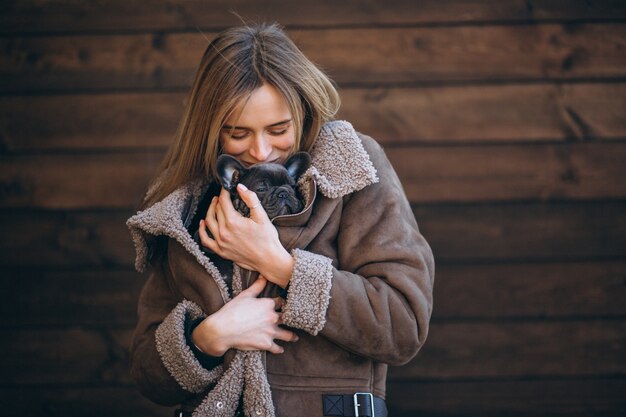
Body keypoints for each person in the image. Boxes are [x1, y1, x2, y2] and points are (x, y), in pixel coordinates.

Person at [127, 22, 434, 417]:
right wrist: (207, 338)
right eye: (237, 133)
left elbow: (402, 326)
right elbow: (147, 373)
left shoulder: (353, 171)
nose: (261, 149)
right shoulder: (182, 207)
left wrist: (281, 266)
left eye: (278, 129)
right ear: (210, 129)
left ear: (303, 113)